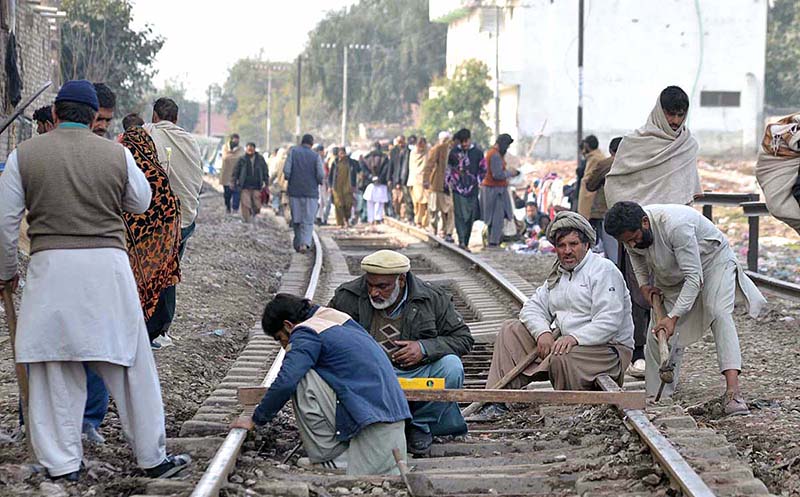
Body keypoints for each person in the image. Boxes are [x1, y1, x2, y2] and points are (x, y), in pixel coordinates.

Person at [0, 80, 190, 481]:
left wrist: (6, 273)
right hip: (108, 270)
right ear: (93, 118)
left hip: (50, 270)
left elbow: (4, 222)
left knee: (55, 367)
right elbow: (140, 201)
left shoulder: (24, 156)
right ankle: (152, 457)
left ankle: (63, 464)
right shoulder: (117, 154)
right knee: (131, 365)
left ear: (55, 115)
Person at [604, 202, 765, 415]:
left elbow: (694, 278)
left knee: (718, 313)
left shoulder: (676, 225)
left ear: (645, 222)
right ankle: (657, 397)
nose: (632, 244)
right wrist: (644, 286)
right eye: (627, 241)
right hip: (673, 274)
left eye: (634, 238)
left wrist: (673, 317)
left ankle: (733, 393)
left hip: (712, 265)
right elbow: (636, 258)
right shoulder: (630, 235)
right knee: (657, 334)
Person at [476, 212, 634, 419]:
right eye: (561, 245)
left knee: (562, 354)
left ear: (586, 245)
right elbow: (532, 308)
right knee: (510, 330)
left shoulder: (603, 270)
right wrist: (543, 333)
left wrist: (574, 338)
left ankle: (572, 408)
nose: (567, 251)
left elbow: (609, 322)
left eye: (573, 244)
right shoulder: (559, 273)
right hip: (565, 344)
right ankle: (496, 400)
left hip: (607, 349)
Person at [231, 294, 410, 474]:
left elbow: (286, 381)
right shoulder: (333, 317)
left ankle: (332, 455)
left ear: (288, 325)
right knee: (308, 368)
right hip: (390, 417)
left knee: (302, 375)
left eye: (280, 338)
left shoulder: (305, 331)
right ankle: (344, 451)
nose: (283, 345)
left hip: (375, 423)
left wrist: (256, 419)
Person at [328, 250, 473, 455]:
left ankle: (420, 425)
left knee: (452, 367)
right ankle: (368, 422)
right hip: (367, 375)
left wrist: (423, 348)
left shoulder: (431, 297)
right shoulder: (348, 296)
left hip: (414, 372)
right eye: (369, 285)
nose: (373, 293)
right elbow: (324, 334)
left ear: (402, 280)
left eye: (382, 287)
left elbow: (463, 338)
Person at [144, 97, 203, 347]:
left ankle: (151, 328)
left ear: (155, 116)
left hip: (157, 220)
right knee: (171, 270)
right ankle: (161, 329)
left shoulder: (148, 132)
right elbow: (196, 178)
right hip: (185, 218)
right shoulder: (190, 141)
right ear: (176, 119)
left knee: (152, 273)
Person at [605, 86, 700, 207]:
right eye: (670, 114)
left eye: (680, 115)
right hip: (638, 221)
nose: (675, 121)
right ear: (660, 111)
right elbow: (615, 183)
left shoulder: (687, 145)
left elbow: (686, 190)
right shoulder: (633, 142)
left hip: (675, 220)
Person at [577, 135, 618, 261]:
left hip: (605, 208)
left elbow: (591, 184)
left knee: (610, 246)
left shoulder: (602, 162)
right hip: (628, 207)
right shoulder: (635, 161)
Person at [284, 134, 324, 252]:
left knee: (296, 219)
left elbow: (286, 171)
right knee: (308, 220)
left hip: (294, 191)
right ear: (311, 144)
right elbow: (321, 174)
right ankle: (305, 243)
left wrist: (291, 179)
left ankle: (297, 243)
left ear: (302, 142)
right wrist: (318, 182)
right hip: (311, 192)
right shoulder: (315, 156)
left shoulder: (293, 152)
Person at [447, 128, 485, 251]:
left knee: (470, 215)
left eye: (466, 141)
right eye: (462, 142)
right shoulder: (453, 153)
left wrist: (480, 181)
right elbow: (449, 169)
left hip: (472, 188)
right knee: (459, 215)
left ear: (470, 139)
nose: (464, 144)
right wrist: (449, 182)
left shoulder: (478, 153)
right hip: (458, 189)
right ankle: (462, 241)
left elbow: (483, 169)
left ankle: (466, 241)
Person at [481, 133, 518, 247]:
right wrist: (510, 173)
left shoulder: (493, 153)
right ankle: (493, 242)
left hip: (493, 189)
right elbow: (497, 174)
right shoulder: (495, 155)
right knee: (497, 216)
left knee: (493, 217)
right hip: (495, 190)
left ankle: (493, 240)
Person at [424, 131, 455, 242]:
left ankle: (448, 232)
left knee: (450, 209)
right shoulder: (437, 149)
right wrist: (426, 180)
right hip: (437, 184)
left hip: (450, 186)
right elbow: (429, 165)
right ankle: (433, 231)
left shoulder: (455, 150)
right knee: (433, 209)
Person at [234, 142, 269, 224]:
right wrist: (234, 181)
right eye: (248, 149)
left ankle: (253, 214)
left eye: (251, 149)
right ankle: (247, 220)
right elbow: (236, 172)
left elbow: (265, 171)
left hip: (257, 186)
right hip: (245, 186)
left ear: (254, 149)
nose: (250, 151)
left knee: (257, 205)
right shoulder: (242, 159)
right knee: (246, 204)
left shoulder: (260, 159)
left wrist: (266, 182)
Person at [329, 146, 357, 227]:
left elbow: (356, 173)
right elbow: (331, 175)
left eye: (343, 153)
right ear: (338, 154)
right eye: (340, 153)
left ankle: (347, 219)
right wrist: (330, 186)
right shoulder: (335, 162)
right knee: (338, 204)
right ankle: (340, 223)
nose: (342, 155)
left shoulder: (351, 162)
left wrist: (354, 185)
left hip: (348, 186)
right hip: (337, 187)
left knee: (348, 204)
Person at [389, 135, 413, 222]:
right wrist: (389, 179)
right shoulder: (394, 151)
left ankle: (406, 216)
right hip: (395, 178)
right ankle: (397, 214)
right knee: (395, 199)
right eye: (398, 142)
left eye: (401, 142)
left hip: (405, 179)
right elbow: (390, 165)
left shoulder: (409, 152)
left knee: (405, 199)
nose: (400, 144)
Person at [407, 136, 429, 228]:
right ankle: (418, 221)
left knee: (426, 203)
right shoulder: (413, 153)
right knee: (417, 203)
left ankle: (423, 222)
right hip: (415, 181)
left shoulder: (427, 153)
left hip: (425, 182)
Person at [220, 133, 244, 215]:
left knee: (237, 193)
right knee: (227, 194)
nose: (236, 142)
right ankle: (228, 207)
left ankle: (235, 209)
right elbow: (225, 157)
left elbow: (241, 159)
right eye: (235, 140)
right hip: (226, 175)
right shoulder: (224, 148)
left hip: (237, 175)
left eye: (237, 140)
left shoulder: (241, 149)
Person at [313, 143, 331, 225]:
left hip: (323, 183)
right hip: (318, 183)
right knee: (320, 200)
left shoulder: (323, 160)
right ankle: (318, 217)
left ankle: (320, 217)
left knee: (323, 201)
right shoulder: (316, 159)